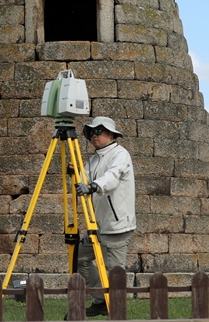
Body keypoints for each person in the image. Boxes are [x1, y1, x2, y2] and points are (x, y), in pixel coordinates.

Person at [73, 116, 136, 317]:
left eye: (99, 131)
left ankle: (116, 312)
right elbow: (83, 178)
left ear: (111, 134)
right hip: (97, 225)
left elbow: (112, 177)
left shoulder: (120, 154)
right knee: (79, 259)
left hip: (117, 227)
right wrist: (74, 173)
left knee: (114, 272)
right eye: (91, 132)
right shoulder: (94, 159)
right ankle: (101, 299)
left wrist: (92, 186)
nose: (94, 136)